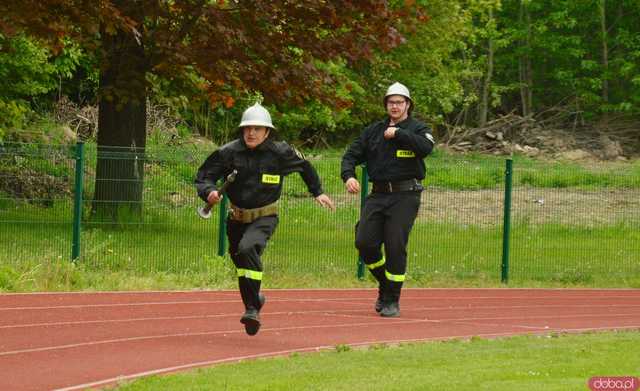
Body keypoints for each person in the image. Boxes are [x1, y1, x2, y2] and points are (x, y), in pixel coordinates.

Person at [196, 102, 335, 336]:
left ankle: (251, 309)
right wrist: (208, 191)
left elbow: (305, 167)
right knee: (242, 263)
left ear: (267, 132)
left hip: (265, 216)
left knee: (248, 248)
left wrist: (317, 191)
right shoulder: (228, 153)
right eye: (248, 128)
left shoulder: (280, 152)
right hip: (236, 218)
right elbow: (204, 176)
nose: (251, 133)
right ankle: (255, 300)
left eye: (257, 129)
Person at [341, 82, 435, 317]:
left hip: (405, 195)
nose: (395, 106)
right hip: (378, 194)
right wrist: (349, 176)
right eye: (391, 102)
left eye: (399, 102)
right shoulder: (373, 131)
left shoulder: (417, 128)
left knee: (395, 245)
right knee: (364, 242)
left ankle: (392, 299)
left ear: (408, 105)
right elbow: (351, 155)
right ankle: (385, 283)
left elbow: (426, 148)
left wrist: (400, 133)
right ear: (386, 105)